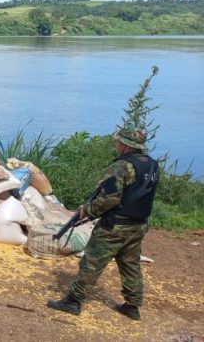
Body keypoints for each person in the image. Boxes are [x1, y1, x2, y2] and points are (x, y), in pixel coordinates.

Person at [47, 125, 160, 321]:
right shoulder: (152, 165)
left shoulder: (121, 166)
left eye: (118, 142)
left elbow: (110, 199)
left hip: (115, 226)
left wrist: (87, 211)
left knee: (92, 262)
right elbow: (136, 189)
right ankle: (132, 306)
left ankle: (74, 301)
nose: (116, 145)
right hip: (138, 225)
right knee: (130, 264)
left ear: (125, 144)